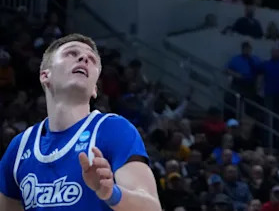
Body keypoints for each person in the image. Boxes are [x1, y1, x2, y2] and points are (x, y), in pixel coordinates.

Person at [0, 33, 160, 211]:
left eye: (91, 59)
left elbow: (152, 207)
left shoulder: (113, 129)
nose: (84, 58)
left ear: (94, 89)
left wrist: (111, 193)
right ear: (45, 75)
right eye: (71, 53)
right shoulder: (19, 147)